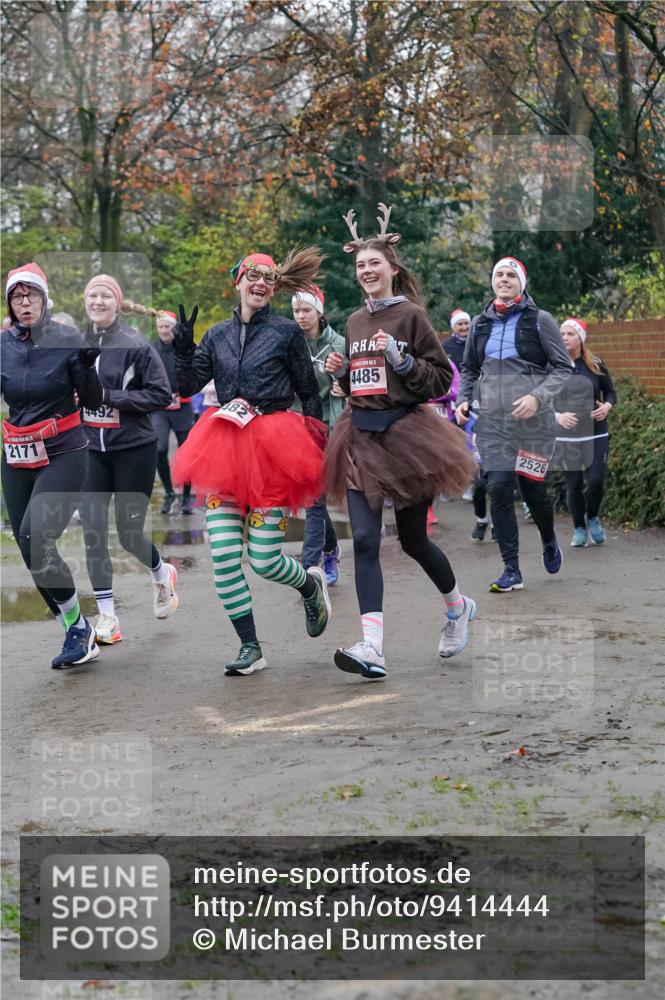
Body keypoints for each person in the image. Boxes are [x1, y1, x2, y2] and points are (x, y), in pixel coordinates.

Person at [324, 204, 477, 680]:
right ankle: (372, 647)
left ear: (392, 268)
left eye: (374, 263)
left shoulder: (411, 316)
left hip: (408, 437)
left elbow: (440, 381)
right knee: (365, 541)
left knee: (412, 540)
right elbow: (365, 384)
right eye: (360, 266)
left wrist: (404, 361)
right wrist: (344, 375)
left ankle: (457, 607)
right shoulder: (352, 321)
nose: (367, 271)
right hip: (360, 437)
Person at [171, 248, 332, 677]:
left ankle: (309, 584)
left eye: (268, 278)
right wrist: (183, 349)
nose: (260, 283)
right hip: (223, 447)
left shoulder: (285, 332)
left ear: (274, 288)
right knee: (223, 556)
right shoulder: (218, 335)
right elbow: (186, 384)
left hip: (273, 448)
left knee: (263, 561)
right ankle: (250, 647)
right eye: (252, 276)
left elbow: (308, 390)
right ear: (238, 282)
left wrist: (316, 439)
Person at [1, 263, 103, 668]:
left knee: (36, 534)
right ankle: (76, 629)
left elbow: (93, 401)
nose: (24, 303)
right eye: (16, 296)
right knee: (28, 548)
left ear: (45, 299)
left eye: (32, 295)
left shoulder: (67, 338)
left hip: (63, 450)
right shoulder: (3, 343)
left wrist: (85, 366)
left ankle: (79, 630)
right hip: (16, 452)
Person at [456, 257, 572, 592]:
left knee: (534, 491)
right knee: (499, 488)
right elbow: (468, 369)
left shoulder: (540, 320)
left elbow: (562, 368)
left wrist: (537, 397)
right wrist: (464, 399)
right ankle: (511, 570)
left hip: (534, 424)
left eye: (511, 275)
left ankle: (549, 540)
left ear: (522, 282)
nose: (504, 279)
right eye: (499, 275)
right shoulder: (479, 323)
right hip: (494, 422)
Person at [77, 275, 178, 645]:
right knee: (92, 532)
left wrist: (110, 398)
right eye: (92, 295)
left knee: (129, 535)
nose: (98, 301)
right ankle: (107, 617)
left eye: (105, 295)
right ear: (85, 301)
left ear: (117, 303)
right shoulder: (77, 343)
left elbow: (161, 394)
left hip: (134, 448)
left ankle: (161, 572)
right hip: (90, 449)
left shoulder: (136, 344)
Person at [292, 285, 345, 585]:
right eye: (296, 310)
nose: (300, 316)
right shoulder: (290, 342)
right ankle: (331, 547)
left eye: (306, 310)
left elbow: (350, 380)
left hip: (327, 427)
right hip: (297, 428)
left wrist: (343, 385)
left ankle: (309, 567)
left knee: (314, 499)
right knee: (311, 498)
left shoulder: (337, 343)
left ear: (319, 312)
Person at [554, 318, 616, 546]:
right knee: (574, 484)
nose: (564, 338)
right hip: (566, 435)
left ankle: (593, 518)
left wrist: (607, 407)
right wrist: (558, 416)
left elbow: (610, 393)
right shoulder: (554, 366)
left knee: (596, 479)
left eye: (569, 334)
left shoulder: (596, 364)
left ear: (580, 338)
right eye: (561, 334)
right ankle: (579, 528)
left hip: (595, 432)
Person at [151, 310, 195, 515]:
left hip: (183, 405)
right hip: (160, 407)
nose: (164, 331)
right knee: (159, 450)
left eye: (167, 327)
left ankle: (186, 497)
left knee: (186, 451)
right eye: (161, 327)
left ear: (174, 327)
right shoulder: (151, 348)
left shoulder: (181, 346)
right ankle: (169, 493)